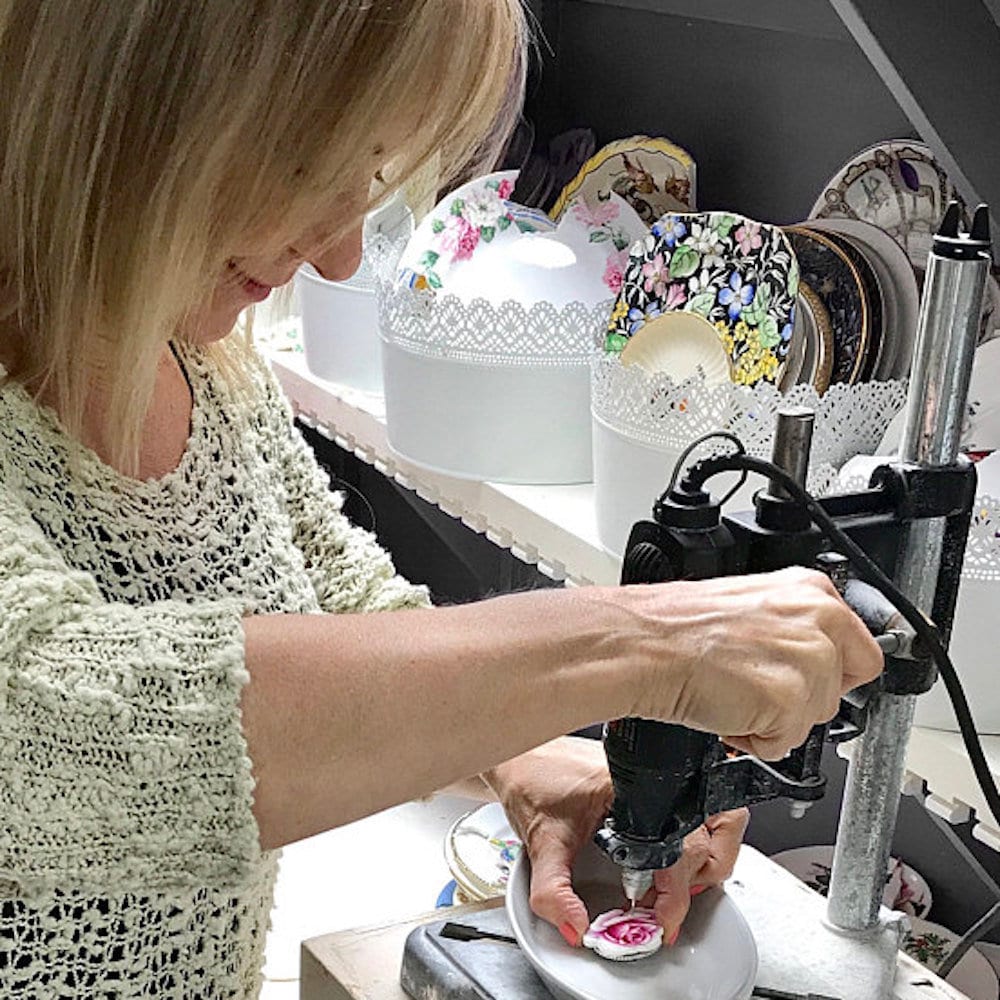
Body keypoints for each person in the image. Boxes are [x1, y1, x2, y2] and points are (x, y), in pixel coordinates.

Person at [0, 2, 882, 996]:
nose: (336, 255)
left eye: (366, 174)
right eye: (307, 160)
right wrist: (643, 648)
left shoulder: (200, 361)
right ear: (136, 78)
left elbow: (341, 606)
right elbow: (57, 732)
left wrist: (529, 761)